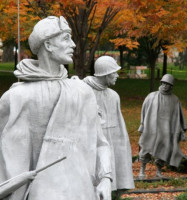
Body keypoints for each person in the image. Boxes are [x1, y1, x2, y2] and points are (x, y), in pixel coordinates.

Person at [0, 16, 112, 200]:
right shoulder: (16, 98)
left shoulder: (82, 91)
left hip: (81, 191)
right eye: (66, 38)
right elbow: (6, 159)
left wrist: (106, 178)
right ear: (49, 45)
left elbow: (100, 142)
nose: (74, 44)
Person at [83, 56, 134, 198]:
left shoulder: (114, 96)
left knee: (113, 183)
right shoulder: (84, 91)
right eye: (114, 72)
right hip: (93, 143)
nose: (117, 75)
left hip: (113, 142)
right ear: (105, 73)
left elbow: (119, 126)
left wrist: (122, 149)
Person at [138, 74, 187, 179]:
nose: (165, 86)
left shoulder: (175, 100)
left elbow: (178, 116)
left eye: (167, 84)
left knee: (163, 150)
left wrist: (181, 131)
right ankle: (142, 170)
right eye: (163, 83)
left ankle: (158, 171)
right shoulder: (151, 96)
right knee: (146, 148)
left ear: (171, 86)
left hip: (166, 130)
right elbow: (144, 111)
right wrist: (142, 124)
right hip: (151, 127)